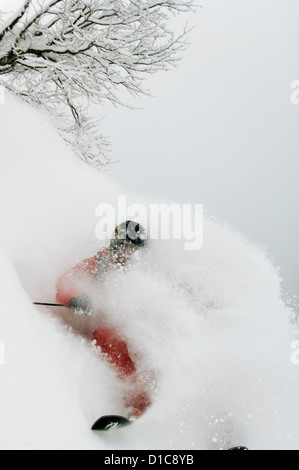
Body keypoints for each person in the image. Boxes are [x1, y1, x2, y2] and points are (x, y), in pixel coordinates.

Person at [56, 220, 151, 419]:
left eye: (133, 250)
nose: (128, 254)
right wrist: (76, 297)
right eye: (125, 247)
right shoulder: (99, 263)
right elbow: (67, 281)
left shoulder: (143, 274)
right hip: (106, 326)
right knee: (107, 336)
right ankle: (138, 404)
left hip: (138, 328)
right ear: (115, 244)